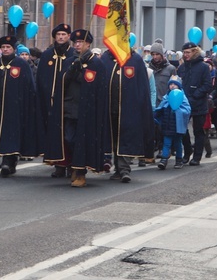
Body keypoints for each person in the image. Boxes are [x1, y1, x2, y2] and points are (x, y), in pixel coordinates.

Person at [0, 36, 39, 177]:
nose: (6, 50)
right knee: (0, 133)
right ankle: (7, 159)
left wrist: (29, 105)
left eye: (8, 47)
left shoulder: (21, 64)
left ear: (13, 49)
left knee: (12, 134)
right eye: (4, 47)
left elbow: (29, 86)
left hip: (16, 107)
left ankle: (9, 160)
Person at [101, 48, 155, 183]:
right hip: (109, 108)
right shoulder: (105, 59)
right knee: (113, 140)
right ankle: (118, 169)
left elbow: (142, 87)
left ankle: (124, 169)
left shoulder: (135, 60)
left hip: (128, 108)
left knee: (126, 138)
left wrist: (142, 106)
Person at [62, 29, 109, 187]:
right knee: (69, 138)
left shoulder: (96, 63)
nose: (77, 45)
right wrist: (72, 70)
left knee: (83, 141)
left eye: (80, 42)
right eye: (75, 42)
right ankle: (73, 165)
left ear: (88, 44)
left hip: (87, 109)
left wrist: (81, 73)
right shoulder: (70, 61)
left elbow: (97, 87)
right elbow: (63, 83)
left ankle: (80, 171)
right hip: (70, 107)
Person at [36, 23, 77, 178]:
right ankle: (58, 164)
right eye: (58, 34)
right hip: (50, 103)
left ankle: (72, 164)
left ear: (68, 37)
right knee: (53, 134)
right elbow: (41, 79)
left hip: (67, 104)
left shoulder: (73, 55)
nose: (61, 37)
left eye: (64, 35)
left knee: (68, 136)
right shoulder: (47, 55)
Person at [177, 42, 212, 166]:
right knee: (182, 130)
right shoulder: (182, 68)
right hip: (184, 104)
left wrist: (195, 95)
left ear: (194, 52)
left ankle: (197, 156)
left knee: (198, 131)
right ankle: (187, 152)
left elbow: (207, 85)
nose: (185, 55)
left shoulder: (203, 67)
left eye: (188, 52)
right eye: (184, 53)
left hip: (198, 104)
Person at [153, 75, 191, 169]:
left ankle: (179, 160)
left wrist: (177, 110)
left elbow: (187, 109)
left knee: (178, 143)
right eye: (171, 84)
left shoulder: (183, 97)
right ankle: (164, 159)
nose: (172, 86)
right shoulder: (166, 97)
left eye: (175, 84)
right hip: (167, 125)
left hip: (178, 126)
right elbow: (161, 107)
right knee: (166, 143)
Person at [148, 41, 177, 157]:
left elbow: (175, 85)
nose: (155, 57)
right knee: (152, 128)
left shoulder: (170, 69)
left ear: (162, 54)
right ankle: (153, 148)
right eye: (153, 54)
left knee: (163, 128)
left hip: (164, 101)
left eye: (157, 54)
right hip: (151, 101)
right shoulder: (148, 68)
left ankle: (163, 148)